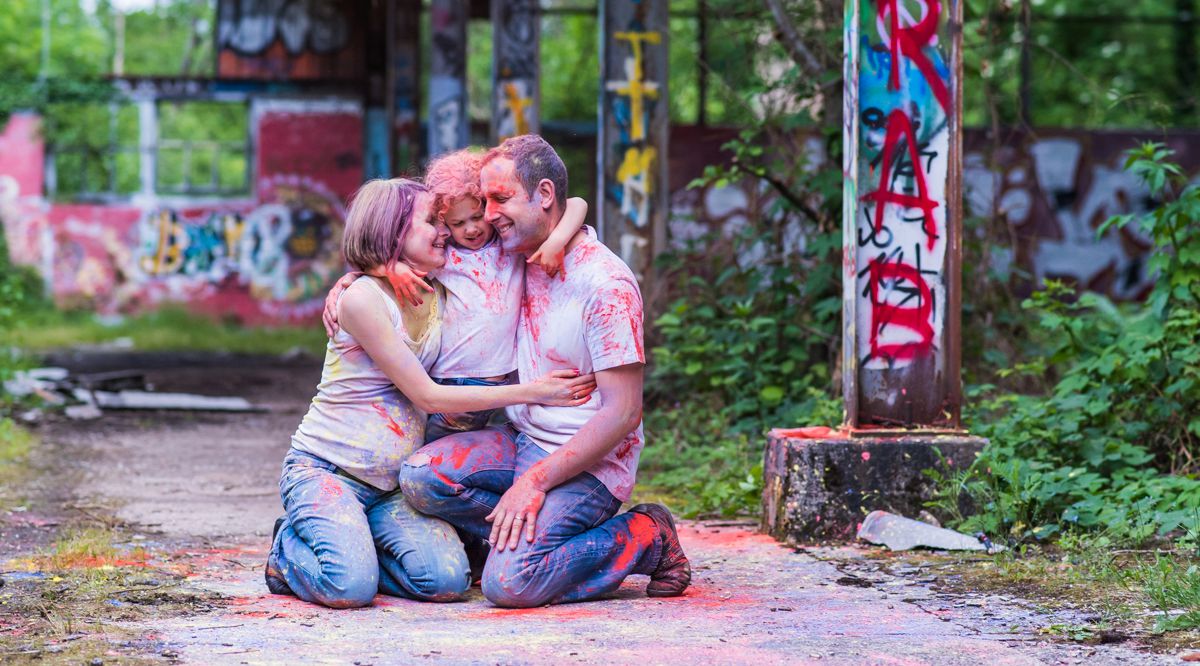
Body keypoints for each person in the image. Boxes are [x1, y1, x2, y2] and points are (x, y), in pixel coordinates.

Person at [265, 178, 597, 609]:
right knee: (350, 588)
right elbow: (429, 397)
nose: (445, 231)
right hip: (328, 471)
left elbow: (575, 204)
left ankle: (352, 544)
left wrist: (392, 264)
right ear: (394, 231)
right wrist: (535, 392)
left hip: (389, 489)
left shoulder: (436, 286)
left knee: (445, 581)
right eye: (430, 222)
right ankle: (289, 546)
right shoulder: (363, 298)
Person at [399, 135, 691, 609]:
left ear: (545, 196)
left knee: (510, 583)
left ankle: (646, 535)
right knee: (421, 477)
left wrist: (533, 483)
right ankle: (528, 535)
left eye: (500, 199)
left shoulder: (606, 286)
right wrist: (352, 282)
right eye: (485, 201)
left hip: (588, 462)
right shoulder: (522, 252)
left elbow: (623, 415)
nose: (488, 217)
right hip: (524, 438)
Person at [324, 148, 588, 445]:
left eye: (477, 217)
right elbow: (376, 251)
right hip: (454, 382)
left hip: (508, 379)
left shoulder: (507, 244)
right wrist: (387, 268)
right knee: (431, 450)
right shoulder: (446, 258)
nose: (471, 229)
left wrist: (558, 240)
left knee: (502, 443)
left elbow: (576, 203)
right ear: (444, 224)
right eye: (457, 224)